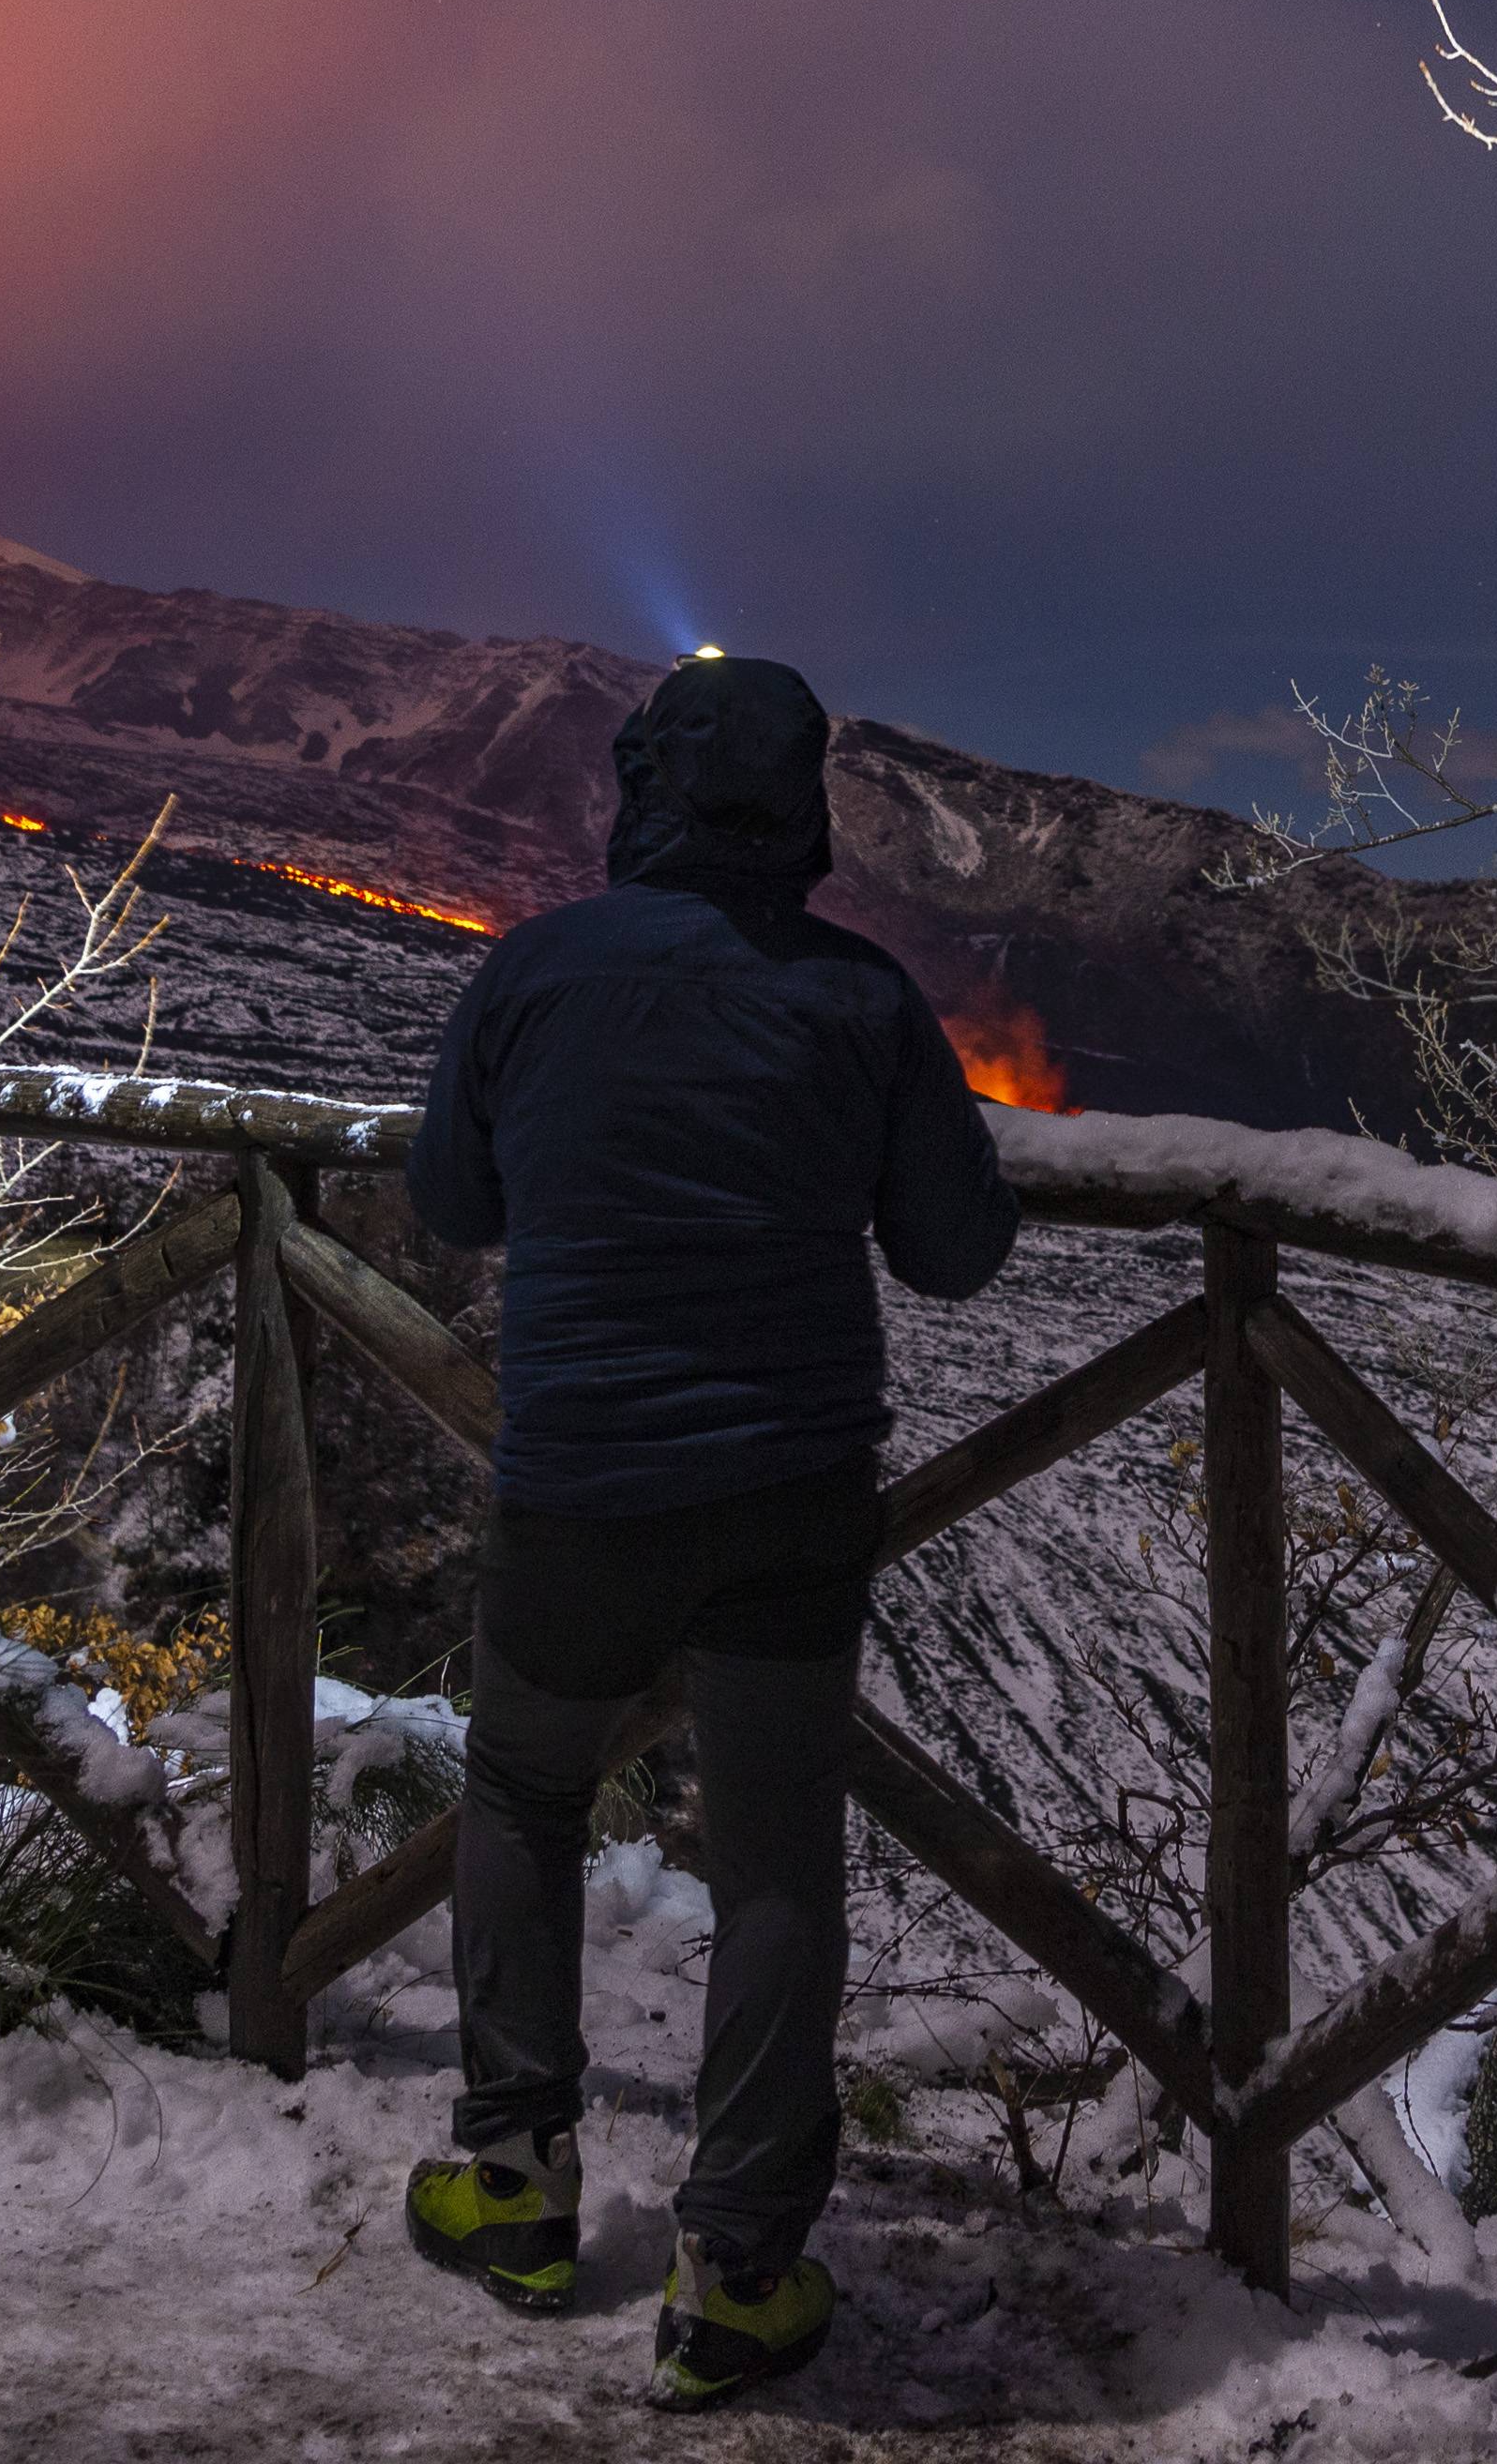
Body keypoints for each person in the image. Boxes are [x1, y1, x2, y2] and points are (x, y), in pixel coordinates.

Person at [395, 649, 1021, 2411]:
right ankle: (736, 2272)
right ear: (804, 807)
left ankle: (514, 2182)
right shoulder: (862, 999)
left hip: (579, 1485)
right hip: (786, 1499)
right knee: (776, 1868)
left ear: (642, 786)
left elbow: (450, 1198)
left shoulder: (534, 971)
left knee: (524, 1792)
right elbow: (960, 1252)